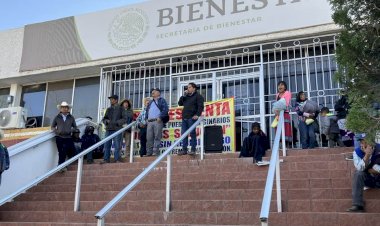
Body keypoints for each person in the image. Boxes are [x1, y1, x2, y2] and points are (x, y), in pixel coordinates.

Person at [347, 137, 380, 212]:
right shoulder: (357, 152)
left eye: (365, 142)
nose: (363, 145)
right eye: (361, 142)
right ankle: (357, 205)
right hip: (369, 180)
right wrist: (367, 156)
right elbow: (359, 168)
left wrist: (376, 171)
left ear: (372, 143)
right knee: (358, 173)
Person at [177, 82, 205, 155]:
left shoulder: (198, 96)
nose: (187, 89)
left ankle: (193, 149)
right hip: (184, 118)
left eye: (189, 87)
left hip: (191, 118)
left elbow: (200, 106)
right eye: (187, 87)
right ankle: (184, 150)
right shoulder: (186, 96)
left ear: (194, 88)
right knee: (184, 134)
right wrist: (183, 96)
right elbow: (180, 103)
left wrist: (197, 114)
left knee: (192, 134)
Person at [51, 101, 77, 172]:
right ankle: (60, 166)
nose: (65, 109)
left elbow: (75, 127)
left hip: (68, 137)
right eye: (63, 107)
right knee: (61, 152)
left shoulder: (71, 117)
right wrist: (57, 131)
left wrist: (70, 130)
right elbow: (52, 127)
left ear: (68, 108)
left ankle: (63, 165)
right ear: (60, 109)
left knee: (72, 151)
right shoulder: (57, 117)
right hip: (59, 137)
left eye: (66, 107)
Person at [101, 94, 126, 163]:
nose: (111, 101)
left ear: (116, 100)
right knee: (106, 145)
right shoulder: (109, 109)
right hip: (108, 129)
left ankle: (117, 159)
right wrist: (106, 121)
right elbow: (104, 119)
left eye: (112, 99)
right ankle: (106, 159)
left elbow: (124, 119)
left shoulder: (121, 108)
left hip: (117, 129)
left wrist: (116, 123)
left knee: (117, 145)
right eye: (110, 99)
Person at [145, 88, 169, 156]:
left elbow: (165, 109)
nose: (152, 92)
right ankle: (149, 152)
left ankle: (155, 152)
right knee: (149, 138)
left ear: (158, 93)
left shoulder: (162, 100)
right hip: (149, 122)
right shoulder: (150, 102)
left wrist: (160, 117)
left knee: (157, 137)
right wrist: (146, 119)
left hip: (157, 121)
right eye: (152, 91)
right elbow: (147, 111)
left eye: (154, 91)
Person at [274, 81, 293, 145]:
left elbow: (286, 103)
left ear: (285, 87)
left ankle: (287, 145)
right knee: (279, 129)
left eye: (282, 85)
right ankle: (282, 145)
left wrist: (277, 106)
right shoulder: (277, 95)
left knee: (285, 128)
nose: (280, 86)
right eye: (279, 85)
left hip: (285, 113)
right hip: (278, 114)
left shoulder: (287, 93)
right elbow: (276, 105)